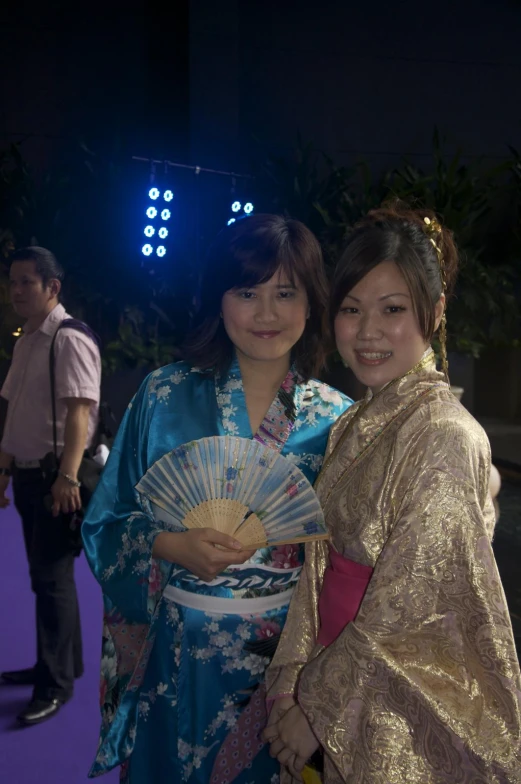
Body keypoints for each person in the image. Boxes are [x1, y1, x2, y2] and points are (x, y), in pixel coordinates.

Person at [82, 214, 352, 783]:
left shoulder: (338, 420)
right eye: (247, 292)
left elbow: (352, 563)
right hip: (177, 658)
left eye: (286, 293)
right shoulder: (163, 394)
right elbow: (106, 521)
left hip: (282, 668)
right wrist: (168, 544)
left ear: (312, 303)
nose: (267, 313)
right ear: (218, 299)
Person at [264, 204, 521, 783]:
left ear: (435, 313)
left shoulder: (444, 434)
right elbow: (317, 565)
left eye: (393, 310)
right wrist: (291, 683)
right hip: (334, 669)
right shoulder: (354, 422)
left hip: (389, 696)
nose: (368, 331)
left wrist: (317, 708)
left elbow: (409, 603)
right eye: (352, 310)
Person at [0, 246, 102, 724]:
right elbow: (16, 411)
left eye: (27, 282)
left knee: (53, 579)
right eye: (13, 281)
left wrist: (66, 477)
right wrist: (3, 470)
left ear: (52, 288)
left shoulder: (68, 338)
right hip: (25, 474)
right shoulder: (28, 340)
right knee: (47, 580)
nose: (17, 290)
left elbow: (80, 414)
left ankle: (55, 685)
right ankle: (57, 665)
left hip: (52, 478)